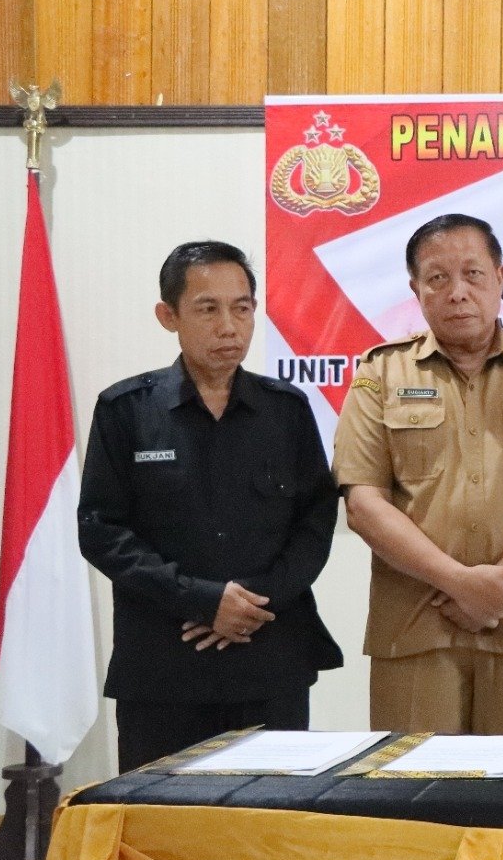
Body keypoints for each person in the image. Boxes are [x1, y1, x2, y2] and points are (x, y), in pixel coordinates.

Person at [78, 241, 341, 772]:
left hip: (269, 656)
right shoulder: (126, 410)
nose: (229, 327)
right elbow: (102, 530)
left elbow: (315, 522)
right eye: (208, 309)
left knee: (269, 813)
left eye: (241, 308)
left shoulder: (287, 410)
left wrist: (252, 602)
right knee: (162, 814)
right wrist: (201, 600)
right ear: (168, 316)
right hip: (164, 664)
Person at [334, 214, 503, 735]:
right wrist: (458, 582)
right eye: (437, 278)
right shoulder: (379, 374)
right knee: (415, 783)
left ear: (500, 278)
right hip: (417, 628)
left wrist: (502, 586)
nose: (457, 292)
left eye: (473, 274)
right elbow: (364, 504)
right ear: (416, 289)